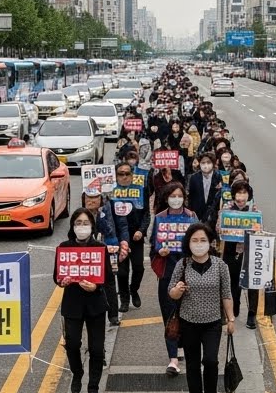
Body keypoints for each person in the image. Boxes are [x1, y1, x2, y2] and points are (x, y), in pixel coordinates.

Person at [168, 222, 235, 393]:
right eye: (195, 240)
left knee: (211, 360)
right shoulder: (182, 265)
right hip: (188, 322)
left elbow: (226, 294)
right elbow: (171, 293)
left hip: (212, 322)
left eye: (203, 240)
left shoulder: (220, 265)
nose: (199, 244)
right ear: (188, 243)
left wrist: (231, 319)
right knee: (193, 363)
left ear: (210, 242)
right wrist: (177, 290)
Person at [55, 208, 107, 393]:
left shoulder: (100, 248)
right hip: (73, 304)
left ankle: (93, 388)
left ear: (92, 226)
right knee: (72, 344)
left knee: (96, 349)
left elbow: (108, 278)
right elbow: (56, 277)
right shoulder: (64, 248)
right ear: (72, 226)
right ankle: (77, 373)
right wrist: (62, 282)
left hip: (95, 305)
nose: (82, 227)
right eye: (78, 223)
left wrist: (96, 286)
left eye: (86, 223)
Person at [150, 181, 198, 377]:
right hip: (168, 272)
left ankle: (184, 346)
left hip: (189, 272)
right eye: (172, 196)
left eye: (179, 196)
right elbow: (153, 245)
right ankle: (173, 359)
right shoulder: (160, 218)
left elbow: (201, 241)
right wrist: (159, 251)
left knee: (188, 313)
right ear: (166, 198)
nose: (176, 199)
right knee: (169, 315)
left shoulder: (192, 217)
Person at [220, 179, 261, 329]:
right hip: (231, 250)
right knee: (232, 281)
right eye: (238, 192)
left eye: (244, 193)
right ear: (233, 195)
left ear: (249, 195)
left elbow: (259, 229)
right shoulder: (227, 209)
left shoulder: (254, 210)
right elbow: (219, 228)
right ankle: (234, 305)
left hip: (249, 250)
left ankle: (252, 314)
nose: (241, 196)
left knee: (252, 282)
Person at [83, 187, 126, 326]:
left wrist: (99, 214)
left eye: (95, 198)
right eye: (88, 197)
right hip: (87, 253)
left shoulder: (106, 210)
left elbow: (109, 230)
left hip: (107, 249)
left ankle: (113, 315)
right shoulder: (81, 213)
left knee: (109, 282)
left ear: (101, 199)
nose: (91, 201)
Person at [114, 160, 150, 313]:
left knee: (138, 267)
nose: (124, 177)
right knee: (122, 271)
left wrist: (141, 230)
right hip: (119, 237)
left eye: (127, 174)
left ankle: (133, 289)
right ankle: (124, 299)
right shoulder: (111, 192)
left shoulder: (140, 190)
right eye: (121, 174)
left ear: (132, 175)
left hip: (136, 236)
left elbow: (147, 214)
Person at [186, 152, 224, 227]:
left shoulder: (219, 177)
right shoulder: (194, 177)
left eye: (208, 162)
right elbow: (191, 197)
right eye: (203, 163)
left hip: (213, 216)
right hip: (197, 214)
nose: (206, 165)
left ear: (213, 164)